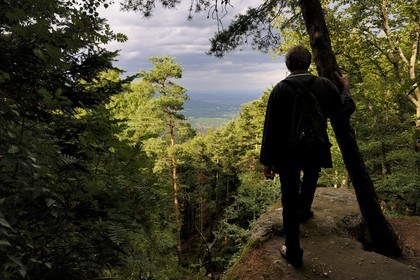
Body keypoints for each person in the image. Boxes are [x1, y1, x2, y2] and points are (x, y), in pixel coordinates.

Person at [259, 45, 353, 268]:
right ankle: (305, 210)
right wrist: (345, 88)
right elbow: (343, 111)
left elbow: (271, 128)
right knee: (311, 176)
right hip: (316, 145)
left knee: (289, 197)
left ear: (288, 65)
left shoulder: (281, 89)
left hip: (288, 151)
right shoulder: (323, 84)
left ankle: (293, 250)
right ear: (309, 62)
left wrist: (268, 161)